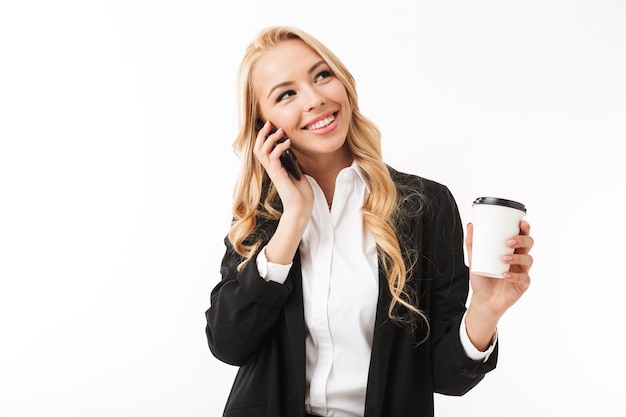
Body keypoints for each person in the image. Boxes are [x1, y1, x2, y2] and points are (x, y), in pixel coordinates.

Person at [205, 25, 534, 417]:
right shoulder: (261, 216)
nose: (315, 99)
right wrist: (293, 218)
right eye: (287, 94)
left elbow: (446, 378)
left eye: (321, 75)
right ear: (264, 125)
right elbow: (228, 343)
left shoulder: (426, 205)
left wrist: (485, 309)